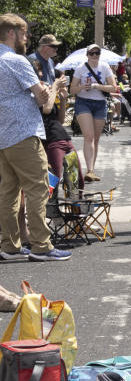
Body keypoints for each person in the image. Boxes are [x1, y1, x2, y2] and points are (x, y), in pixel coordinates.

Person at [0, 14, 70, 261]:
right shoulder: (15, 60)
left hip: (3, 135)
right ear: (12, 33)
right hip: (23, 132)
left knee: (8, 192)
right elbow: (42, 98)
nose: (27, 37)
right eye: (24, 33)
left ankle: (9, 245)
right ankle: (41, 245)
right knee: (38, 188)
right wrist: (55, 88)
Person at [69, 43, 118, 182]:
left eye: (97, 53)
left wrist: (96, 86)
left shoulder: (105, 67)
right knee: (88, 136)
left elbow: (113, 87)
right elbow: (71, 90)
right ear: (87, 55)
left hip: (100, 103)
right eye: (92, 53)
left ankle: (92, 169)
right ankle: (89, 170)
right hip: (83, 102)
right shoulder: (80, 68)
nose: (95, 56)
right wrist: (81, 87)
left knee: (96, 139)